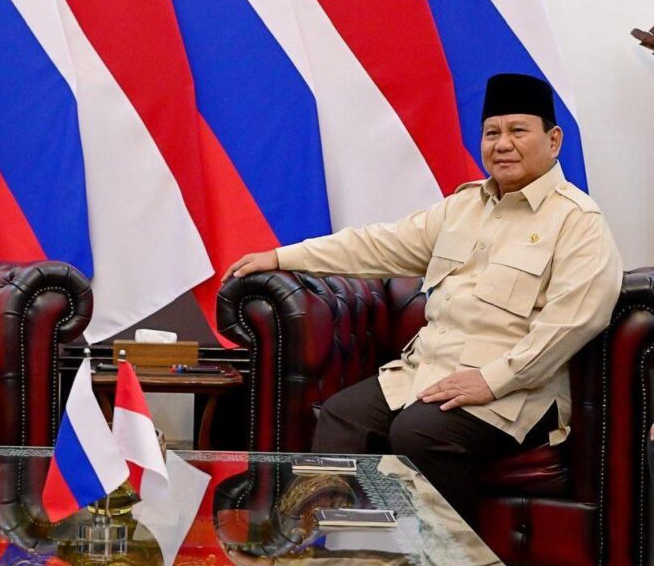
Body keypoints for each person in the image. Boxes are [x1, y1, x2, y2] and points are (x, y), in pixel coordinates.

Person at [224, 73, 622, 523]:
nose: (503, 144)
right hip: (429, 372)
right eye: (492, 133)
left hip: (516, 391)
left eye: (518, 131)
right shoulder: (462, 207)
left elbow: (575, 320)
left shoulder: (577, 220)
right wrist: (280, 257)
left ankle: (447, 552)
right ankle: (336, 543)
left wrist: (493, 379)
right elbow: (376, 245)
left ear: (554, 140)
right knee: (341, 416)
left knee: (419, 432)